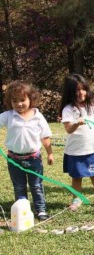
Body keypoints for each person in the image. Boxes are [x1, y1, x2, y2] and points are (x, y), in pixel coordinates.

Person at [0, 81, 54, 221]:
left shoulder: (37, 116)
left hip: (33, 158)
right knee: (19, 186)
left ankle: (40, 209)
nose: (19, 104)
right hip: (14, 159)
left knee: (36, 185)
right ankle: (23, 210)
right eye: (14, 101)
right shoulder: (8, 116)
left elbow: (45, 136)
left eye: (22, 100)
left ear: (31, 98)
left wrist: (50, 153)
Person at [60, 74, 94, 210]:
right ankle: (77, 198)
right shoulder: (68, 110)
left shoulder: (91, 107)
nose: (81, 93)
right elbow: (69, 129)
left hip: (92, 149)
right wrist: (76, 123)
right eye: (76, 90)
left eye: (83, 89)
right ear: (70, 92)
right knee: (77, 176)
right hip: (75, 151)